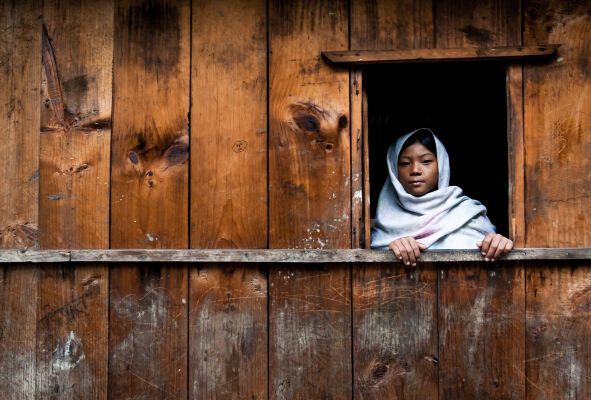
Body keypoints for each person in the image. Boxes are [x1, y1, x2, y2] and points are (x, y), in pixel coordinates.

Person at [371, 128, 513, 266]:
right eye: (405, 163)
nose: (415, 170)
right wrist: (392, 252)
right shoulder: (384, 222)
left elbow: (491, 252)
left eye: (426, 161)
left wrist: (498, 244)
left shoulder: (467, 214)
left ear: (442, 165)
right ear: (394, 170)